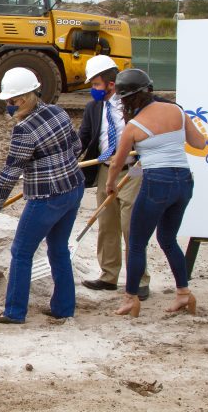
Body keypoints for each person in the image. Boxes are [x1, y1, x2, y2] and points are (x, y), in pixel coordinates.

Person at [0, 67, 84, 324]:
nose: (8, 106)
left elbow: (9, 173)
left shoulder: (24, 130)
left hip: (47, 197)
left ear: (24, 99)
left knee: (21, 251)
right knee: (58, 249)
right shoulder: (58, 111)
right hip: (74, 188)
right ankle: (64, 308)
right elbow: (77, 147)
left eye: (11, 102)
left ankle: (14, 312)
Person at [106, 69, 206, 318]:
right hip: (183, 181)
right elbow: (198, 143)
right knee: (168, 239)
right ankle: (183, 293)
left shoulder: (133, 125)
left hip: (156, 183)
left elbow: (117, 163)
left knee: (137, 243)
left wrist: (111, 184)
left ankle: (131, 299)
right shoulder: (177, 111)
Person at [78, 55, 150, 301]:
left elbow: (166, 110)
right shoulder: (94, 107)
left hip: (134, 168)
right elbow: (85, 136)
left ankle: (139, 280)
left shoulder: (135, 102)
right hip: (105, 168)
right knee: (107, 223)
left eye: (96, 85)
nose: (93, 90)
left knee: (131, 224)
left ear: (111, 83)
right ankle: (109, 276)